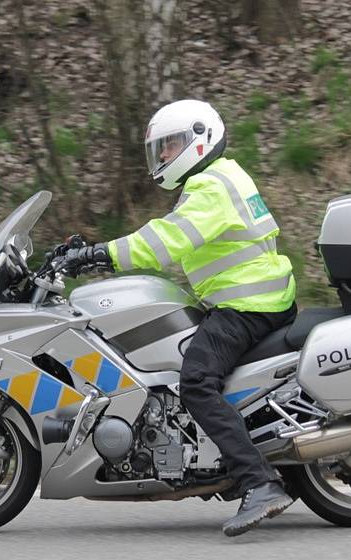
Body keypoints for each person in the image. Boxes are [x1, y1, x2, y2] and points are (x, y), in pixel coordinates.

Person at [60, 99, 297, 537]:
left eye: (170, 146)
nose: (164, 156)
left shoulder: (210, 186)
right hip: (258, 297)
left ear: (199, 140)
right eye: (162, 148)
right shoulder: (223, 176)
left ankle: (259, 483)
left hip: (248, 305)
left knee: (196, 382)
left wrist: (99, 254)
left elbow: (167, 240)